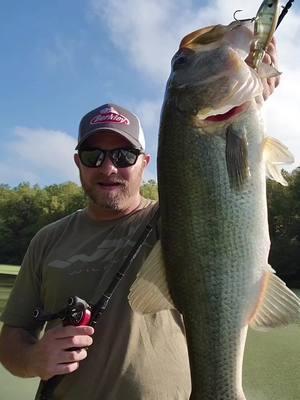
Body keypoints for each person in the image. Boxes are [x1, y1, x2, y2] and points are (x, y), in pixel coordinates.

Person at [0, 40, 280, 400]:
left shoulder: (178, 220)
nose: (108, 167)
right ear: (77, 163)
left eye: (123, 154)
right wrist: (33, 358)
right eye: (92, 155)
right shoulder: (47, 241)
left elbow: (222, 181)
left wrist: (250, 99)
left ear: (144, 164)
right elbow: (11, 340)